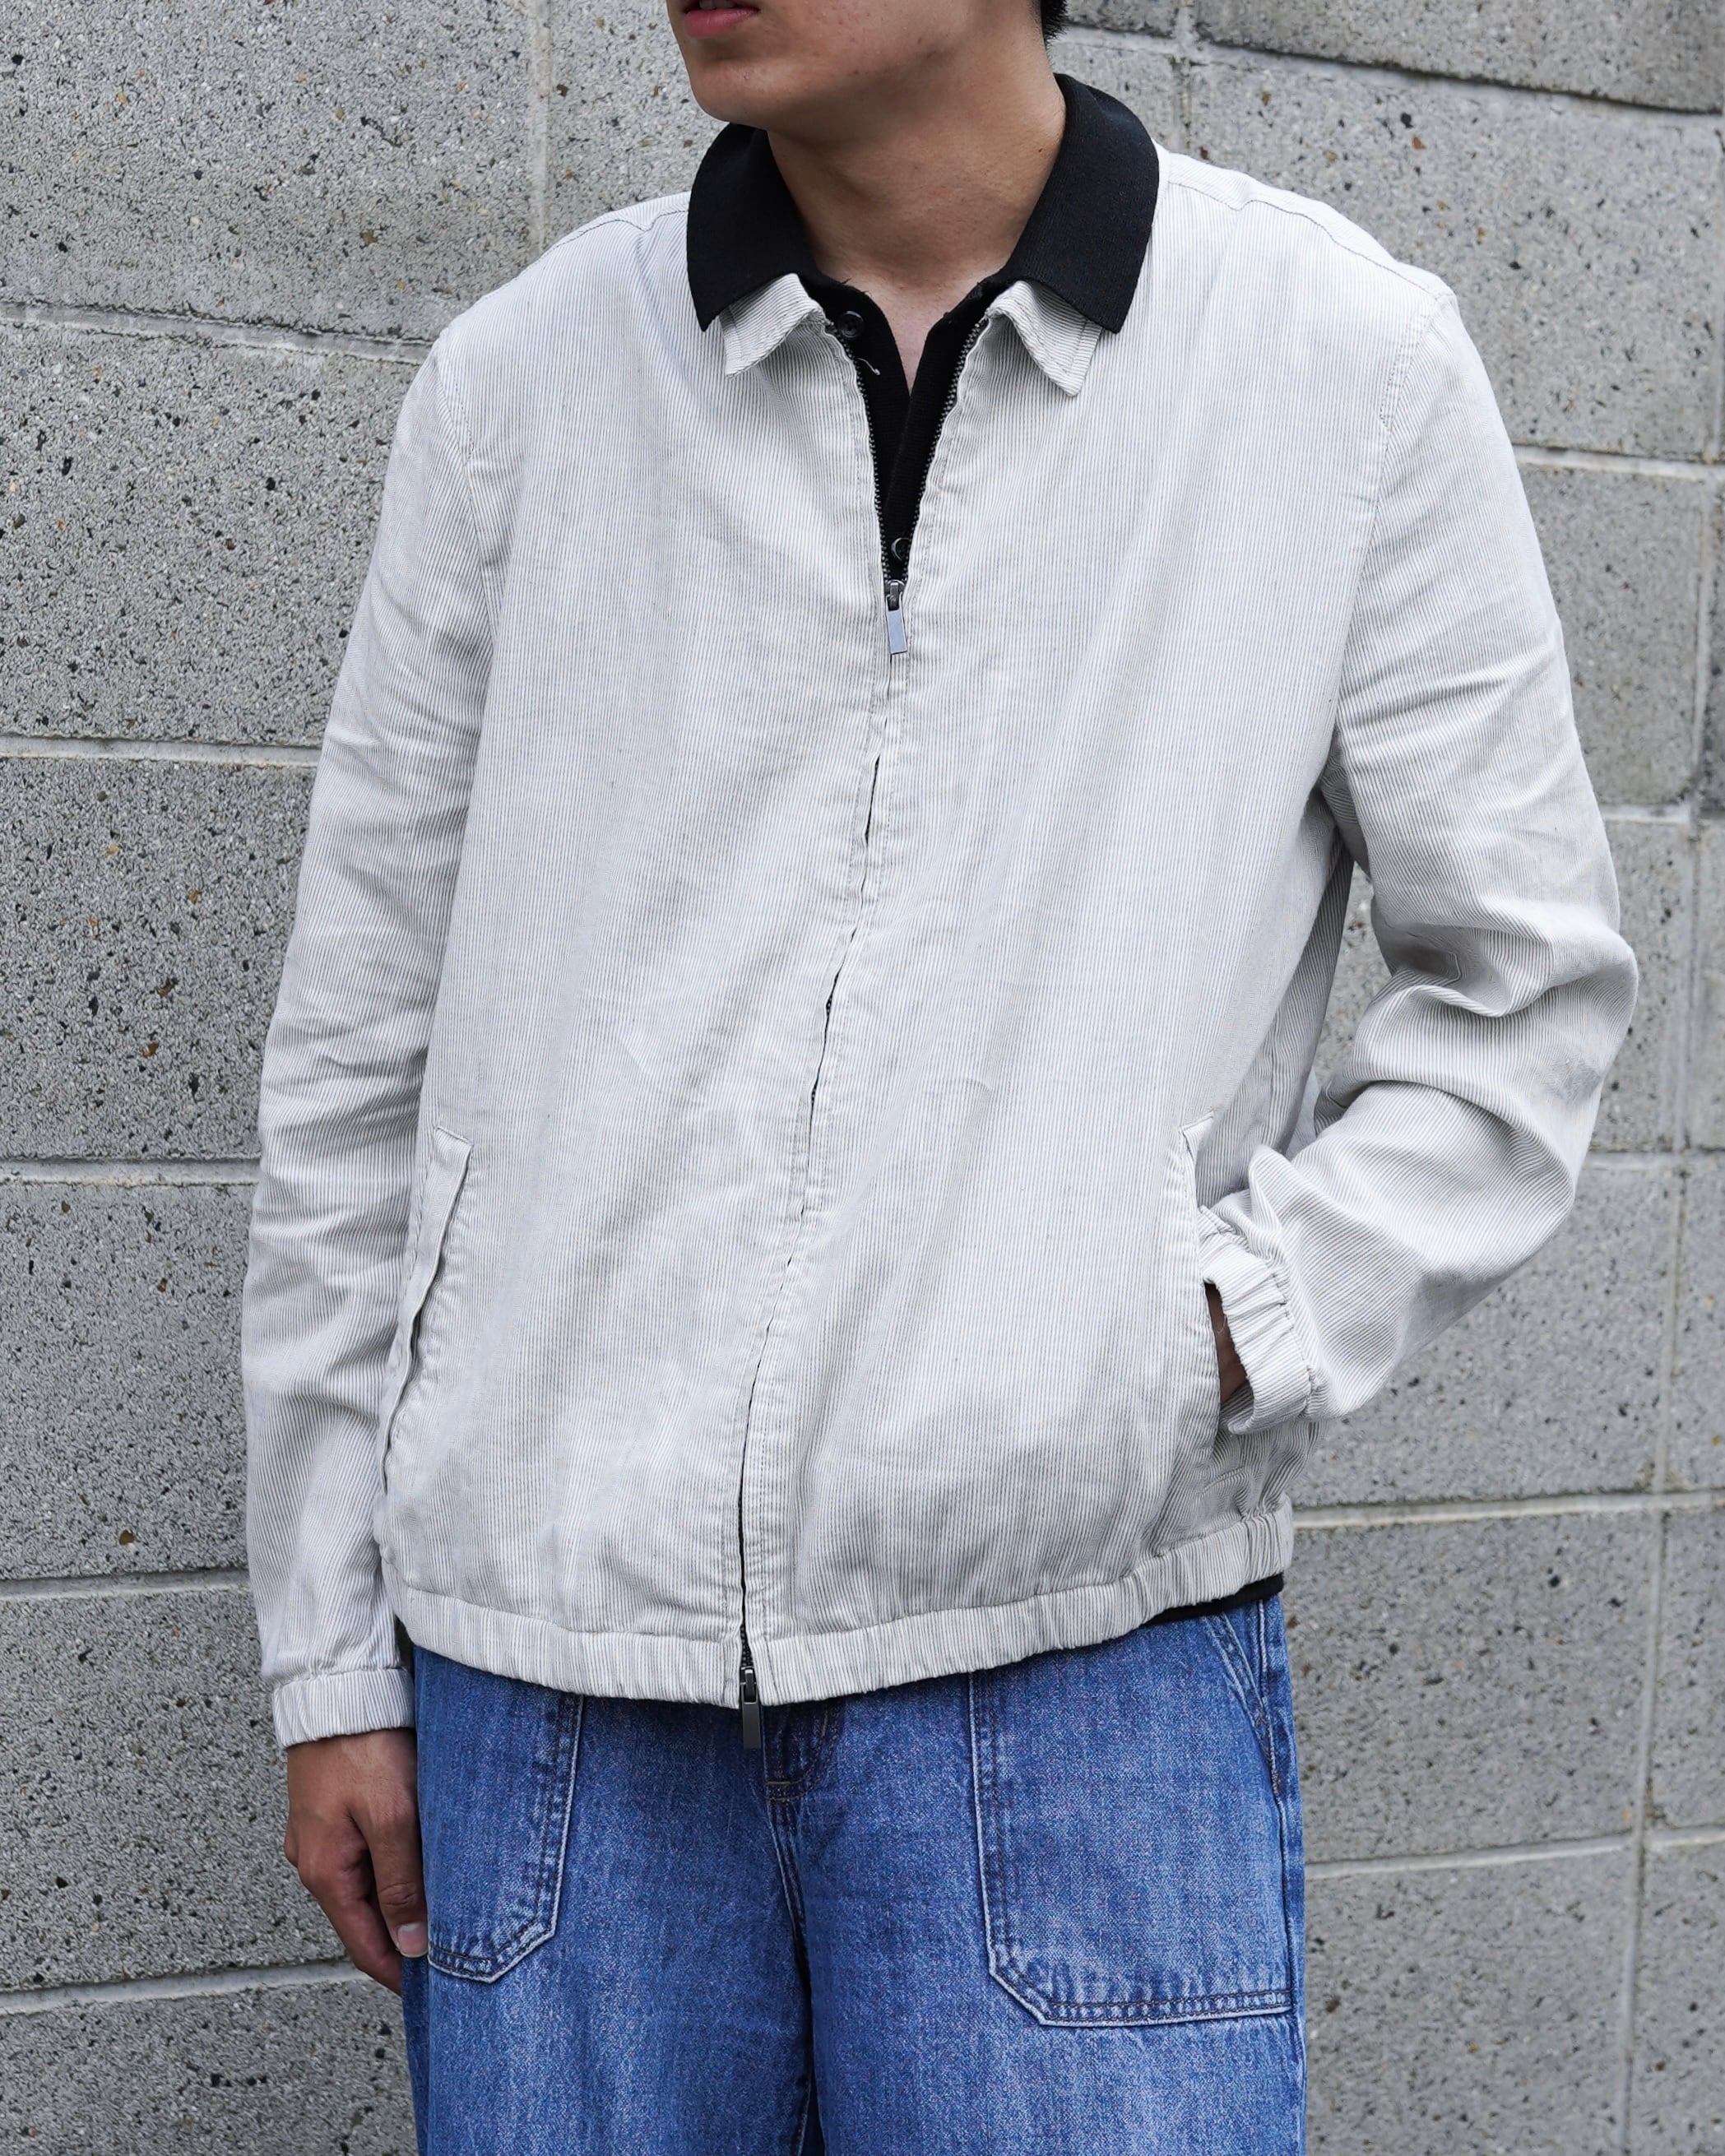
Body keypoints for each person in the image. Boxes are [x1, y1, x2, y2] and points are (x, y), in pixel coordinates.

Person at [242, 0, 1637, 2148]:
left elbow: (1522, 992)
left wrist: (1198, 1336)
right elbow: (359, 1046)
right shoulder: (523, 385)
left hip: (1073, 1682)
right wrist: (332, 1653)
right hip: (554, 1690)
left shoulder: (1333, 366)